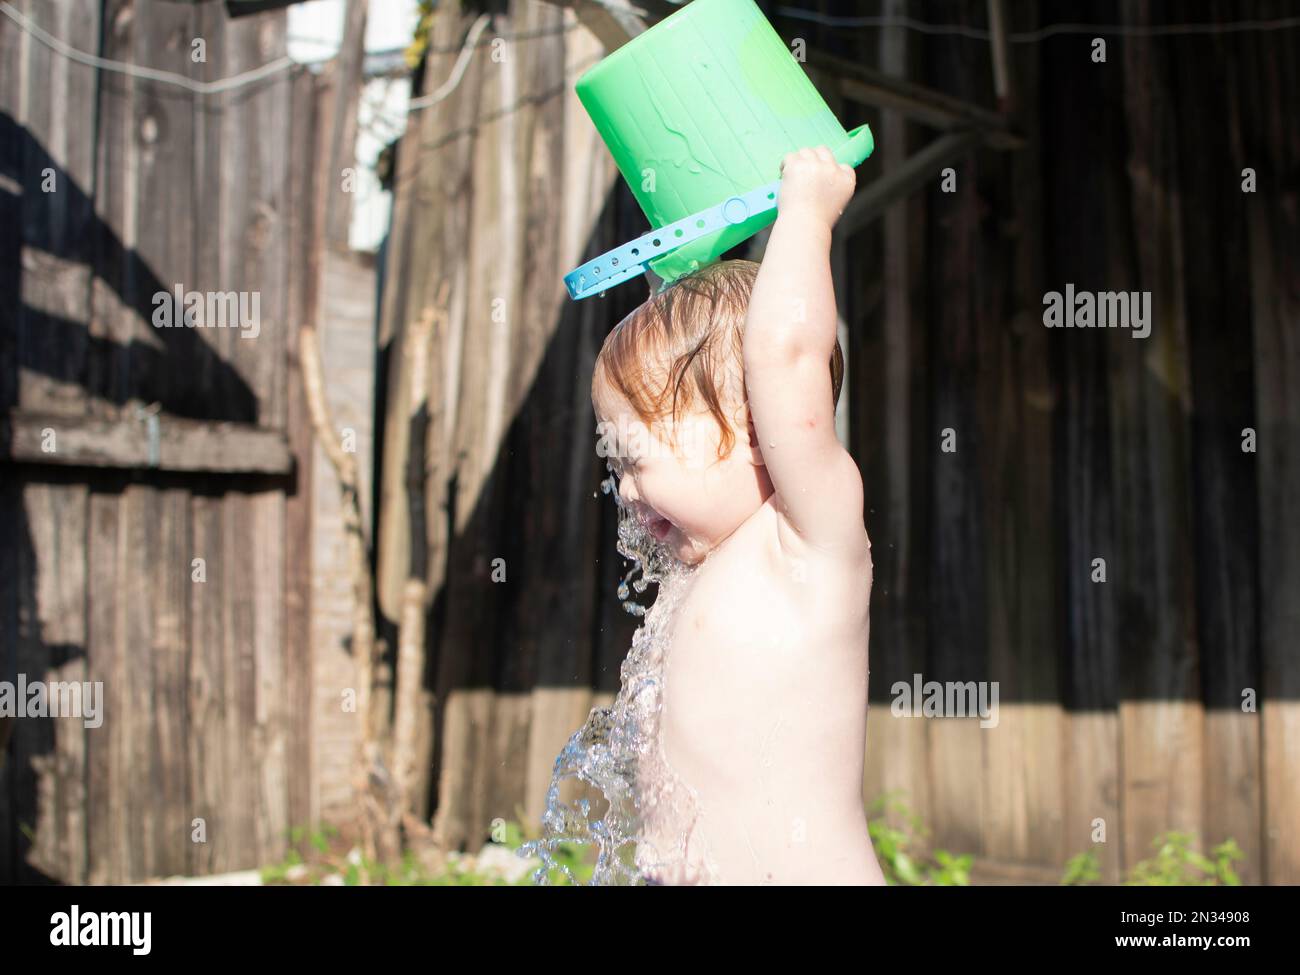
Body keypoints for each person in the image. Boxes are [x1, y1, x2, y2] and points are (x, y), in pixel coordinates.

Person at [591, 146, 885, 885]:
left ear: (755, 427)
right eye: (614, 465)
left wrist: (806, 216)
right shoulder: (703, 572)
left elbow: (784, 358)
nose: (625, 492)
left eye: (638, 457)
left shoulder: (809, 539)